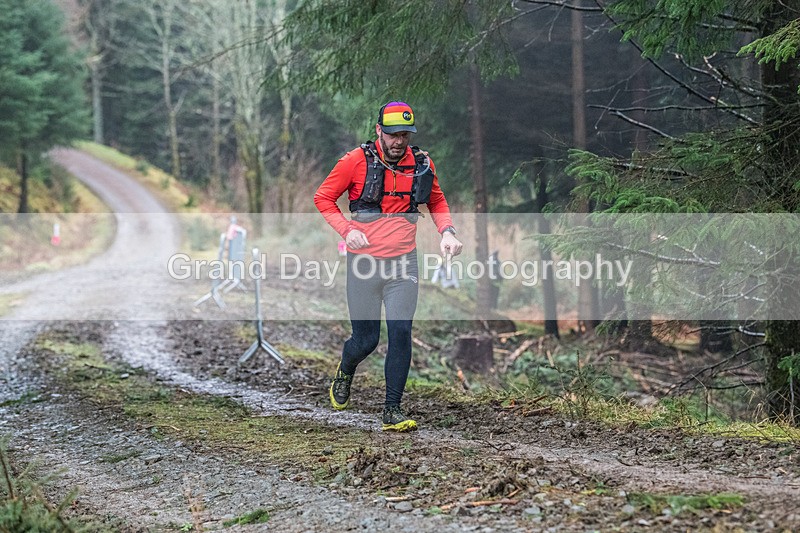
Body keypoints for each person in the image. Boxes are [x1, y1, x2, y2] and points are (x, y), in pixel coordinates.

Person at [314, 101, 463, 431]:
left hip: (403, 263)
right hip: (364, 264)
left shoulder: (421, 163)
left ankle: (392, 410)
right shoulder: (354, 162)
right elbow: (323, 197)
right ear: (379, 130)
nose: (399, 142)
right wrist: (348, 229)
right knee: (365, 341)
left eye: (405, 135)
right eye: (393, 134)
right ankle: (346, 367)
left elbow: (436, 200)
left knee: (401, 332)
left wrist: (447, 232)